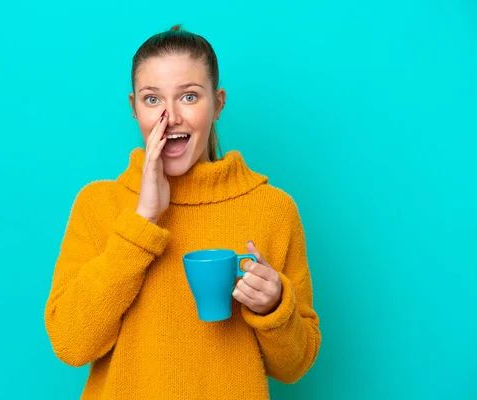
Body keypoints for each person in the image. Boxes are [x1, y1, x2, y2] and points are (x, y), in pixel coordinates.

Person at [44, 24, 321, 399]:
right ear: (133, 108)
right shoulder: (98, 205)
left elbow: (293, 367)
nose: (169, 117)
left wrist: (274, 305)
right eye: (152, 99)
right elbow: (71, 343)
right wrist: (142, 222)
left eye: (189, 97)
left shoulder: (272, 209)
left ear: (218, 104)